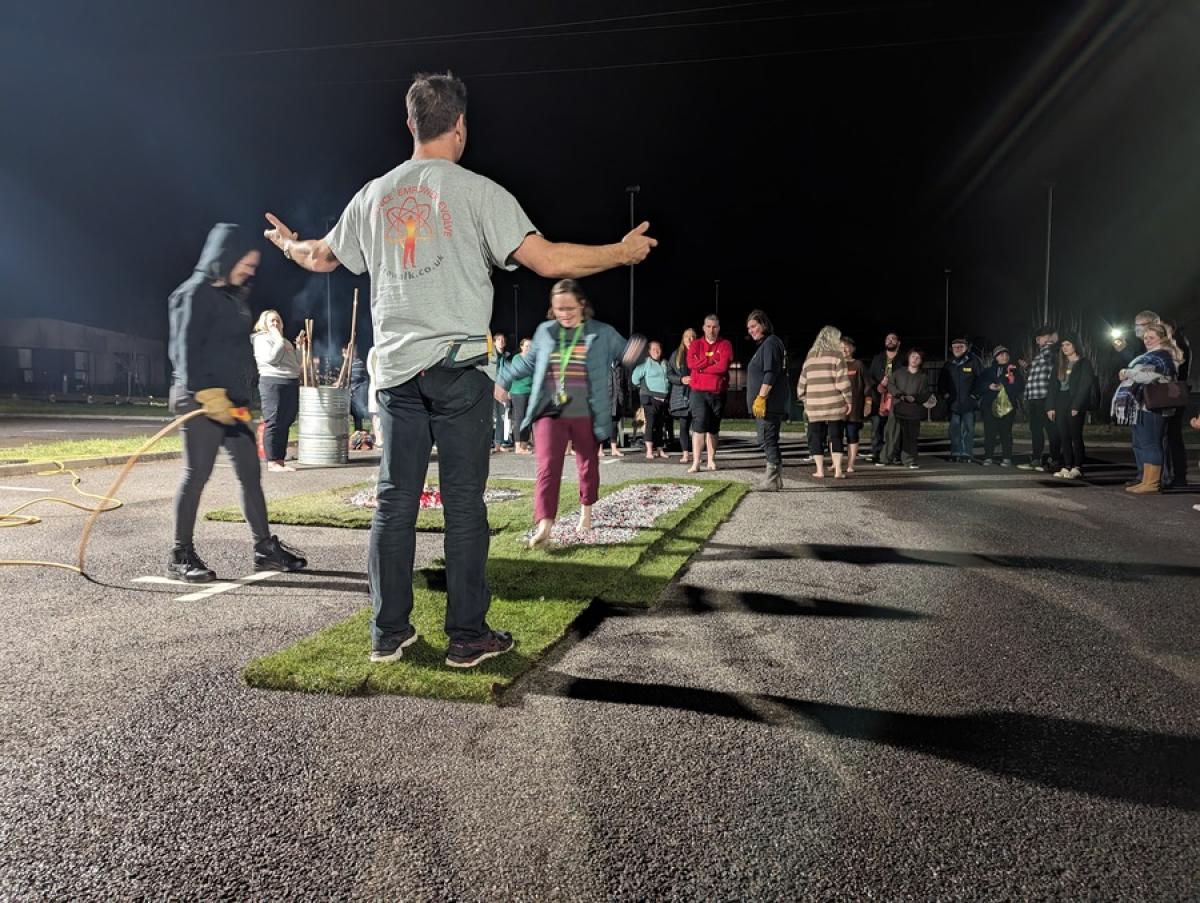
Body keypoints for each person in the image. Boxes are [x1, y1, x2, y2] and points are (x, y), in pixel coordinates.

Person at [263, 72, 655, 667]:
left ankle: (388, 632)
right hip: (458, 369)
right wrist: (620, 253)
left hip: (395, 375)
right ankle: (467, 637)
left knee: (395, 501)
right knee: (464, 503)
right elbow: (546, 260)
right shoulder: (479, 192)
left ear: (411, 125)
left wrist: (288, 246)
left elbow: (319, 256)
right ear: (462, 126)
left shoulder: (374, 195)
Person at [168, 224, 307, 583]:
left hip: (232, 405)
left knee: (250, 475)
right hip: (200, 400)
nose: (249, 271)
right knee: (196, 475)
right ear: (224, 257)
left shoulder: (231, 299)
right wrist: (206, 393)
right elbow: (182, 351)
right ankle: (180, 554)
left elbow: (238, 354)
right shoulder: (192, 294)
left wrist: (241, 399)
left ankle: (264, 550)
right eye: (245, 264)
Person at [497, 280, 642, 547]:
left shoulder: (601, 332)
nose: (564, 313)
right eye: (558, 308)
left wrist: (636, 351)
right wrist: (502, 380)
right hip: (549, 410)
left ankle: (586, 511)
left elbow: (626, 352)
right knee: (547, 466)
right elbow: (528, 363)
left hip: (586, 410)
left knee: (587, 464)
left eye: (569, 308)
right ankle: (545, 524)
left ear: (582, 305)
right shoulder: (544, 332)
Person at [1112, 323, 1181, 494]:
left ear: (1161, 338)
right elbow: (1142, 375)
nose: (1147, 340)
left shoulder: (1162, 356)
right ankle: (1145, 479)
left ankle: (1152, 483)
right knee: (1142, 443)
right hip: (1139, 405)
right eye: (1145, 338)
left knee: (1151, 444)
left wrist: (1129, 373)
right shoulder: (1147, 356)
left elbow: (1151, 377)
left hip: (1153, 406)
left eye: (1151, 337)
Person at [796, 325, 852, 480]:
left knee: (815, 436)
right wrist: (848, 400)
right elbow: (843, 382)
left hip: (814, 405)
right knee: (836, 436)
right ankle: (838, 471)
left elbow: (802, 381)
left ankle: (820, 470)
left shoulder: (811, 356)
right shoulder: (837, 355)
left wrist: (803, 397)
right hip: (834, 403)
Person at [251, 309, 303, 472]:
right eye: (271, 321)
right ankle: (272, 461)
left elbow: (295, 364)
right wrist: (278, 338)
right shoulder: (261, 339)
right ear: (264, 324)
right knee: (273, 421)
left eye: (278, 321)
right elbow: (272, 359)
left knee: (286, 421)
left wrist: (300, 348)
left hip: (290, 382)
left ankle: (280, 459)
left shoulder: (285, 341)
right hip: (272, 382)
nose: (275, 324)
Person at [747, 310, 788, 490]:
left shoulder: (770, 344)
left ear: (764, 324)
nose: (751, 330)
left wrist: (761, 397)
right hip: (770, 403)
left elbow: (770, 372)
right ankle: (776, 480)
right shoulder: (768, 344)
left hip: (769, 404)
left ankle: (771, 480)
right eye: (749, 328)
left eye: (754, 326)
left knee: (768, 439)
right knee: (768, 439)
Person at [686, 314, 733, 472]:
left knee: (713, 428)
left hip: (718, 391)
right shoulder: (696, 344)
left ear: (718, 328)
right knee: (699, 426)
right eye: (708, 326)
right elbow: (691, 364)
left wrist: (701, 368)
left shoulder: (725, 344)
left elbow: (723, 367)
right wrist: (711, 360)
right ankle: (696, 462)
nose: (711, 330)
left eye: (714, 327)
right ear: (703, 327)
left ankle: (711, 460)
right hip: (698, 391)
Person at [1046, 337, 1096, 480]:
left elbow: (1085, 385)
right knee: (1063, 435)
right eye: (1062, 345)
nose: (1065, 347)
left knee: (1075, 435)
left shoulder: (1083, 363)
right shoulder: (1060, 363)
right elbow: (1052, 386)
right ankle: (1067, 465)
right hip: (1060, 400)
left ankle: (1077, 466)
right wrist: (1050, 406)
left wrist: (1077, 405)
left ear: (1075, 346)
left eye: (1068, 344)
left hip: (1074, 400)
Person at [1018, 325, 1061, 472]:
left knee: (1051, 430)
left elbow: (1052, 358)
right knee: (1036, 430)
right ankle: (1036, 459)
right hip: (1033, 398)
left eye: (1042, 337)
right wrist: (1028, 368)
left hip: (1045, 398)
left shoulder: (1052, 352)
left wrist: (1051, 341)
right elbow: (1040, 373)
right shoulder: (1039, 356)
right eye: (1039, 337)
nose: (1038, 340)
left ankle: (1055, 460)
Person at [975, 345, 1023, 466]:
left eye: (1006, 354)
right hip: (989, 405)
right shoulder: (987, 371)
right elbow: (978, 386)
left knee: (1006, 432)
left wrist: (1007, 385)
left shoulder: (1014, 370)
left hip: (1007, 406)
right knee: (990, 432)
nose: (1004, 356)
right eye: (1001, 354)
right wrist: (988, 386)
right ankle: (988, 457)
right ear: (996, 357)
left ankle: (1007, 457)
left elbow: (1020, 386)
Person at [889, 348, 934, 469]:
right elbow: (890, 384)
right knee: (893, 434)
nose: (915, 359)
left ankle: (909, 460)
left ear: (921, 361)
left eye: (918, 357)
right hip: (898, 407)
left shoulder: (923, 376)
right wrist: (899, 395)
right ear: (908, 358)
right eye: (913, 356)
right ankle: (889, 457)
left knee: (911, 435)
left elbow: (925, 393)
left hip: (913, 409)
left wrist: (915, 398)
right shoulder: (898, 373)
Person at [939, 338, 982, 463]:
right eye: (955, 347)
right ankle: (956, 452)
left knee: (968, 429)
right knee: (954, 429)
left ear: (966, 348)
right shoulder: (948, 364)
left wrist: (975, 396)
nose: (957, 349)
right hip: (953, 404)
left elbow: (982, 379)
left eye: (960, 346)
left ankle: (967, 453)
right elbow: (941, 382)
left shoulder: (974, 361)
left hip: (969, 403)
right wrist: (945, 395)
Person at [1160, 319, 1191, 488]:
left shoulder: (1176, 345)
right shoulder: (1179, 343)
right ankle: (1175, 475)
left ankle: (1176, 475)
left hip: (1173, 393)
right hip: (1176, 392)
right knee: (1171, 436)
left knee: (1171, 436)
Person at [632, 341, 672, 459]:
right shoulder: (645, 363)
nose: (656, 351)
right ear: (649, 351)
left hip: (663, 399)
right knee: (650, 424)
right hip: (650, 399)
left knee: (660, 425)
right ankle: (649, 451)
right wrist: (644, 389)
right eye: (653, 349)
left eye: (658, 348)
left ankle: (660, 449)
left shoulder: (665, 363)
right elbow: (634, 378)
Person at [868, 332, 903, 465]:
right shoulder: (877, 358)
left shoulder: (903, 359)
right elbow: (870, 376)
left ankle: (895, 454)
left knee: (895, 428)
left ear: (898, 343)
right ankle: (878, 453)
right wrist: (878, 386)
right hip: (879, 398)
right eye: (887, 338)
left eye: (893, 338)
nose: (890, 340)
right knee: (877, 427)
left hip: (895, 399)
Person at [666, 328, 696, 464]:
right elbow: (669, 374)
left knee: (698, 427)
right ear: (683, 339)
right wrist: (681, 380)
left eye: (692, 337)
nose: (690, 340)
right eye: (687, 337)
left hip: (697, 393)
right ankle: (685, 454)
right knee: (684, 426)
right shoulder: (676, 355)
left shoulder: (700, 353)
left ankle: (697, 455)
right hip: (681, 395)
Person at [840, 335, 868, 474]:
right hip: (837, 408)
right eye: (841, 347)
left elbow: (868, 386)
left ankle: (851, 464)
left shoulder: (859, 365)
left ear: (853, 348)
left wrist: (868, 403)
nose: (844, 349)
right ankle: (836, 463)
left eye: (847, 346)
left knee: (852, 435)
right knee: (835, 436)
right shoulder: (835, 365)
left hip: (854, 409)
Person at [508, 337, 534, 454]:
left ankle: (524, 445)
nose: (528, 348)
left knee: (528, 419)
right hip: (518, 391)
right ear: (521, 347)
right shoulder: (517, 358)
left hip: (530, 391)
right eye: (526, 346)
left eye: (530, 346)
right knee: (519, 418)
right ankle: (517, 446)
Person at [491, 332, 513, 452]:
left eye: (503, 339)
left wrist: (509, 389)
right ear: (494, 342)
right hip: (490, 389)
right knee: (489, 418)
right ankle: (486, 443)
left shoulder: (508, 357)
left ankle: (498, 444)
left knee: (502, 417)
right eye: (498, 339)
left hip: (503, 389)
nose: (501, 341)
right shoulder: (490, 356)